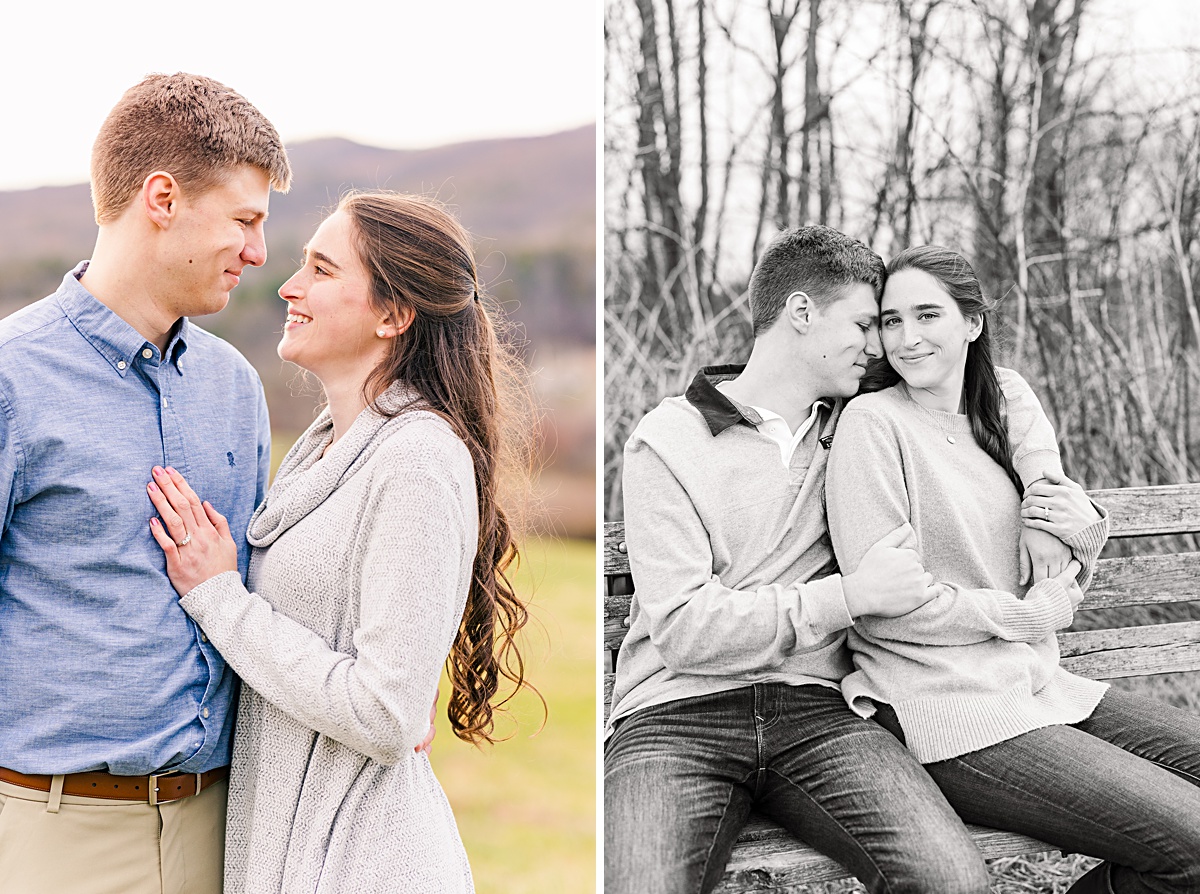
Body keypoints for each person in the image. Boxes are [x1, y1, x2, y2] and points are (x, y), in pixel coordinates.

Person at [604, 225, 1071, 894]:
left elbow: (996, 393)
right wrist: (849, 596)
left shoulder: (854, 419)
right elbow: (684, 630)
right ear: (800, 313)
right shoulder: (669, 439)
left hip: (821, 711)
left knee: (952, 883)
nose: (879, 344)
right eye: (862, 323)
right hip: (676, 718)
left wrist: (1052, 506)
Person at [143, 191, 534, 894]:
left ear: (393, 314)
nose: (289, 286)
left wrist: (217, 596)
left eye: (322, 270)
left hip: (364, 865)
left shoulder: (417, 458)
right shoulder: (325, 446)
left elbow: (386, 714)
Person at [825, 244, 1200, 894]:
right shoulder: (872, 424)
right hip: (943, 705)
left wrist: (1066, 523)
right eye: (891, 321)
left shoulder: (1004, 402)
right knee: (1191, 845)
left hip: (1037, 685)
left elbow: (1067, 526)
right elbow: (889, 603)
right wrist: (1031, 613)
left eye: (927, 316)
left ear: (972, 323)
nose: (907, 339)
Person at [0, 72, 291, 894]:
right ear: (162, 198)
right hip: (56, 839)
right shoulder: (12, 378)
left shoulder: (234, 387)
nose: (260, 252)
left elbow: (252, 596)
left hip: (227, 829)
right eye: (244, 219)